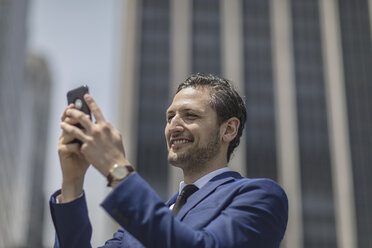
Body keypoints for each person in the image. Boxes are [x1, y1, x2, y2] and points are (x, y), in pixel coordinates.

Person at [49, 73, 288, 248]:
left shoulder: (261, 197)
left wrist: (117, 169)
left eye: (190, 115)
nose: (173, 126)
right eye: (169, 117)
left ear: (228, 130)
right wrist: (73, 181)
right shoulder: (138, 226)